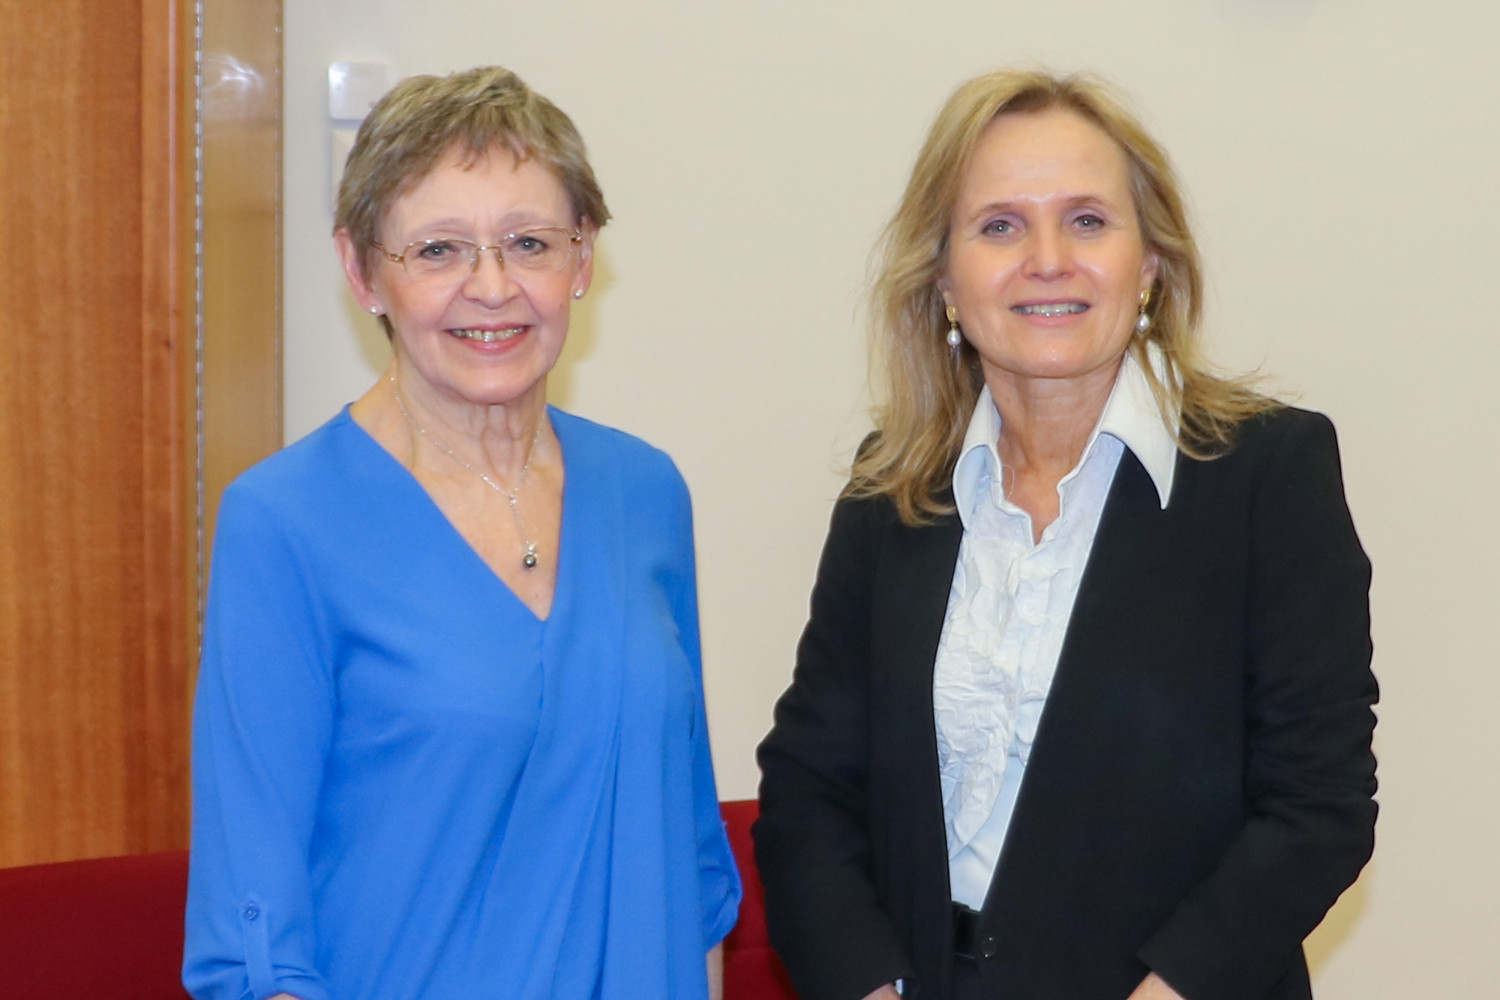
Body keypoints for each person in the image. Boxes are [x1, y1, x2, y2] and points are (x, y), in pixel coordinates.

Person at [753, 70, 1376, 1000]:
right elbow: (809, 788)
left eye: (1088, 220)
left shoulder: (1268, 473)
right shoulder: (893, 488)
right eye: (999, 225)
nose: (1048, 259)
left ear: (1152, 264)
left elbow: (1316, 810)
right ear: (945, 278)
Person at [183, 66, 740, 1000]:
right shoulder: (282, 524)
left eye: (529, 242)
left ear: (582, 261)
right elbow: (256, 929)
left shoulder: (646, 493)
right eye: (438, 250)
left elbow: (690, 866)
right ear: (363, 271)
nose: (492, 288)